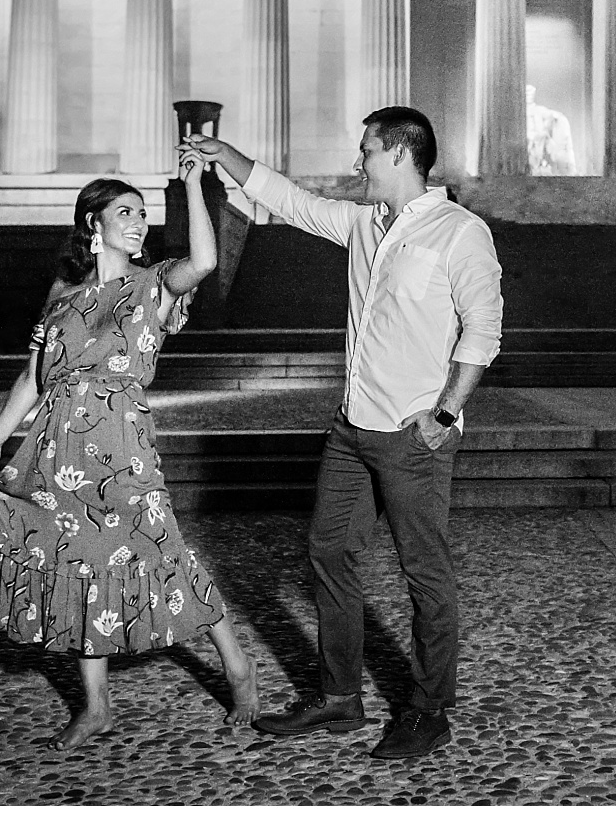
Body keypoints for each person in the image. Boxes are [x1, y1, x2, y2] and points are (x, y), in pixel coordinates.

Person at [185, 107, 502, 760]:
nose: (358, 162)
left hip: (414, 433)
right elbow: (291, 200)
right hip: (353, 427)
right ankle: (339, 697)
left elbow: (484, 330)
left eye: (366, 151)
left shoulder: (458, 232)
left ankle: (429, 709)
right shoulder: (363, 224)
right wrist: (224, 153)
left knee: (426, 573)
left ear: (398, 154)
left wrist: (443, 414)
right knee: (328, 552)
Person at [0, 147, 258, 750]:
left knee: (161, 549)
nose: (137, 221)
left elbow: (204, 259)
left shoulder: (154, 285)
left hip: (122, 442)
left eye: (142, 212)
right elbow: (33, 375)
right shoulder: (63, 294)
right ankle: (97, 706)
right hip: (59, 448)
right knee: (77, 565)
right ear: (93, 226)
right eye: (124, 211)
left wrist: (196, 184)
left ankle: (237, 665)